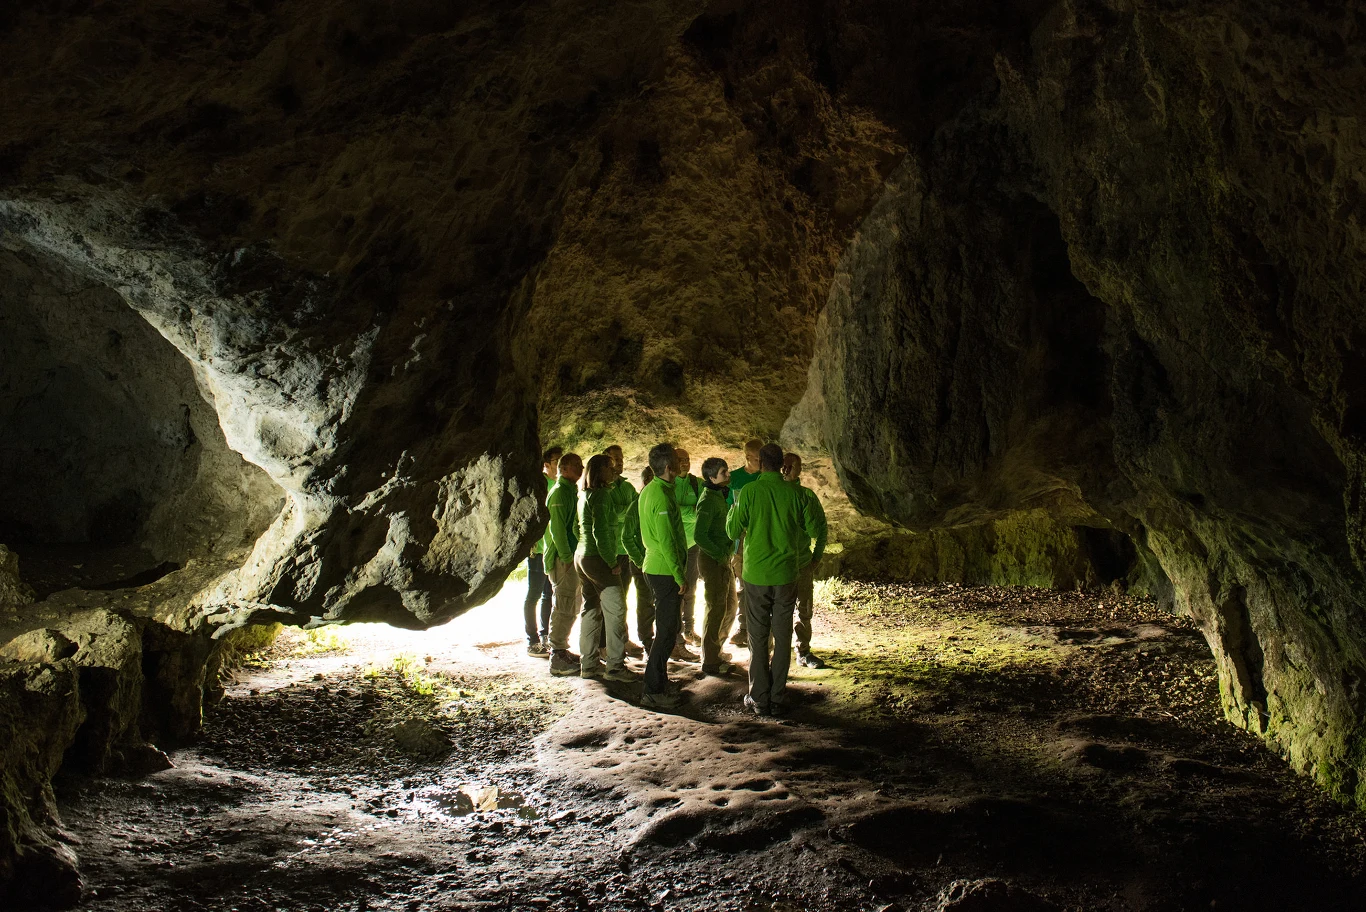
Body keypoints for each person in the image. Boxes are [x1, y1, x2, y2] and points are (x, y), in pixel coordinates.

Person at [725, 443, 821, 715]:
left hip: (756, 575)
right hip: (786, 574)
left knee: (757, 637)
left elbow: (732, 530)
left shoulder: (749, 492)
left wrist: (734, 507)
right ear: (781, 465)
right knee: (781, 636)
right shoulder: (796, 493)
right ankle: (777, 698)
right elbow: (813, 528)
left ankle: (759, 697)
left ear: (762, 464)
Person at [638, 443, 689, 710]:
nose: (682, 464)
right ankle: (653, 690)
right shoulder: (660, 496)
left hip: (657, 567)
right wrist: (680, 576)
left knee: (668, 630)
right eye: (678, 461)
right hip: (663, 570)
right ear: (669, 467)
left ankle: (658, 684)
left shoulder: (654, 490)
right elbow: (667, 541)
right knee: (667, 633)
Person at [575, 455, 634, 682]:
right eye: (609, 468)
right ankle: (615, 667)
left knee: (590, 609)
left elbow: (576, 528)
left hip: (582, 556)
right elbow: (602, 533)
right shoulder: (601, 496)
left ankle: (588, 664)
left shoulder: (584, 495)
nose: (613, 471)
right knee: (616, 611)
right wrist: (611, 562)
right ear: (600, 471)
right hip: (598, 559)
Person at [783, 452, 828, 668]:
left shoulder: (806, 496)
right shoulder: (775, 495)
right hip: (779, 565)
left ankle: (803, 651)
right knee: (779, 611)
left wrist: (816, 558)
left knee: (804, 610)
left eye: (794, 465)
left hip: (801, 564)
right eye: (789, 465)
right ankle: (778, 654)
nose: (791, 469)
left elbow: (821, 529)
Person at [695, 456, 738, 675]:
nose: (728, 475)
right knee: (716, 608)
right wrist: (720, 554)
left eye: (727, 471)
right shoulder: (708, 500)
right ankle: (710, 660)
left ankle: (715, 649)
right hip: (713, 560)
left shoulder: (719, 495)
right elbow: (699, 536)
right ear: (712, 477)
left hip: (722, 558)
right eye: (723, 472)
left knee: (730, 606)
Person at [543, 453, 584, 676]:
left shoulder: (568, 491)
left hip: (568, 556)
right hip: (562, 559)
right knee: (563, 604)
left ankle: (561, 649)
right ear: (564, 468)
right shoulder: (559, 493)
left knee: (570, 604)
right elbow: (557, 530)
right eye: (577, 465)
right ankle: (557, 655)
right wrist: (567, 558)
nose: (581, 468)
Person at [604, 445, 645, 659]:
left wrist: (625, 510)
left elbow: (635, 509)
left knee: (624, 598)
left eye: (620, 458)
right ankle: (606, 644)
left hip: (626, 548)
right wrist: (627, 510)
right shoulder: (602, 488)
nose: (619, 462)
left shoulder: (626, 486)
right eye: (614, 459)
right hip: (610, 550)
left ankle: (622, 638)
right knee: (611, 601)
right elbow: (611, 515)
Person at [724, 438, 765, 649]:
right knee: (742, 585)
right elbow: (728, 508)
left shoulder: (764, 478)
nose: (762, 462)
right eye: (758, 459)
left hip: (759, 537)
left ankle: (758, 629)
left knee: (759, 585)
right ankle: (744, 628)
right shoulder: (734, 479)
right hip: (739, 539)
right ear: (748, 457)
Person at [524, 446, 561, 656]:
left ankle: (545, 635)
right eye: (557, 461)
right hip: (539, 549)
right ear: (546, 465)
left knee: (549, 594)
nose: (560, 465)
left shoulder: (560, 486)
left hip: (553, 548)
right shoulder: (542, 485)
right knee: (534, 595)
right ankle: (532, 640)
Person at [621, 466, 657, 650]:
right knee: (645, 601)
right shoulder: (636, 504)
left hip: (658, 561)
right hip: (643, 561)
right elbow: (626, 537)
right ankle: (647, 639)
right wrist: (641, 561)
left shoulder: (659, 499)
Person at [672, 447, 702, 658]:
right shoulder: (668, 484)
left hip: (693, 545)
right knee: (675, 591)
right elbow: (671, 511)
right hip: (673, 545)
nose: (685, 462)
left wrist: (684, 512)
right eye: (680, 459)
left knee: (690, 589)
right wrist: (689, 512)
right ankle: (674, 636)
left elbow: (700, 511)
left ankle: (688, 628)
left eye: (687, 459)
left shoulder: (697, 483)